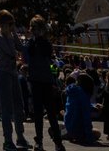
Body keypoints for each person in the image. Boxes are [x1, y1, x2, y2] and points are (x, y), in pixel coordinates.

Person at [23, 16, 65, 151]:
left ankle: (48, 141)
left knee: (44, 113)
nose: (33, 31)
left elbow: (30, 57)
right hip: (42, 80)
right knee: (46, 113)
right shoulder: (39, 43)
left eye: (34, 28)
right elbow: (49, 62)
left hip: (40, 80)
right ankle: (52, 142)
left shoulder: (38, 44)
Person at [0, 11, 28, 151]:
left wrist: (17, 36)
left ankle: (20, 136)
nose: (12, 27)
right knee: (6, 108)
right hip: (3, 73)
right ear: (3, 24)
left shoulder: (12, 34)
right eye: (10, 24)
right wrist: (10, 36)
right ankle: (8, 140)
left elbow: (21, 48)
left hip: (13, 72)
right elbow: (12, 52)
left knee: (19, 105)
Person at [61, 73, 99, 145]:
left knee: (69, 128)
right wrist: (90, 138)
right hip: (78, 130)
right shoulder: (84, 96)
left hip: (68, 124)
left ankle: (61, 132)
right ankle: (68, 133)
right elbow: (86, 119)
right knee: (97, 133)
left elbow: (77, 105)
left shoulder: (72, 92)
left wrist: (92, 106)